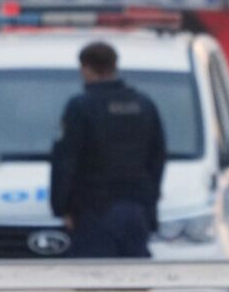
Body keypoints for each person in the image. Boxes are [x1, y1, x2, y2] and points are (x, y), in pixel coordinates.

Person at [50, 42, 167, 258]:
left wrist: (62, 207)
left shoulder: (81, 107)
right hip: (136, 210)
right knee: (135, 282)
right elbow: (157, 158)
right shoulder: (144, 105)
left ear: (86, 68)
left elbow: (66, 161)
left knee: (92, 282)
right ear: (114, 66)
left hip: (94, 211)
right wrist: (150, 203)